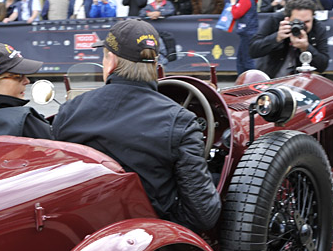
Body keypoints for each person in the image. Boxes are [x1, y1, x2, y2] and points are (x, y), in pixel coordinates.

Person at [52, 19, 220, 233]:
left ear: (111, 61)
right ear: (155, 64)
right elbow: (204, 215)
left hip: (81, 230)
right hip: (149, 238)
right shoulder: (181, 122)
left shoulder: (69, 111)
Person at [249, 0, 330, 78]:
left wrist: (306, 48)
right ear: (287, 18)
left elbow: (322, 66)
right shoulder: (276, 20)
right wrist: (277, 38)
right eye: (297, 21)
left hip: (301, 82)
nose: (302, 26)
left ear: (313, 17)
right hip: (271, 78)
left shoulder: (318, 28)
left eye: (307, 21)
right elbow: (253, 51)